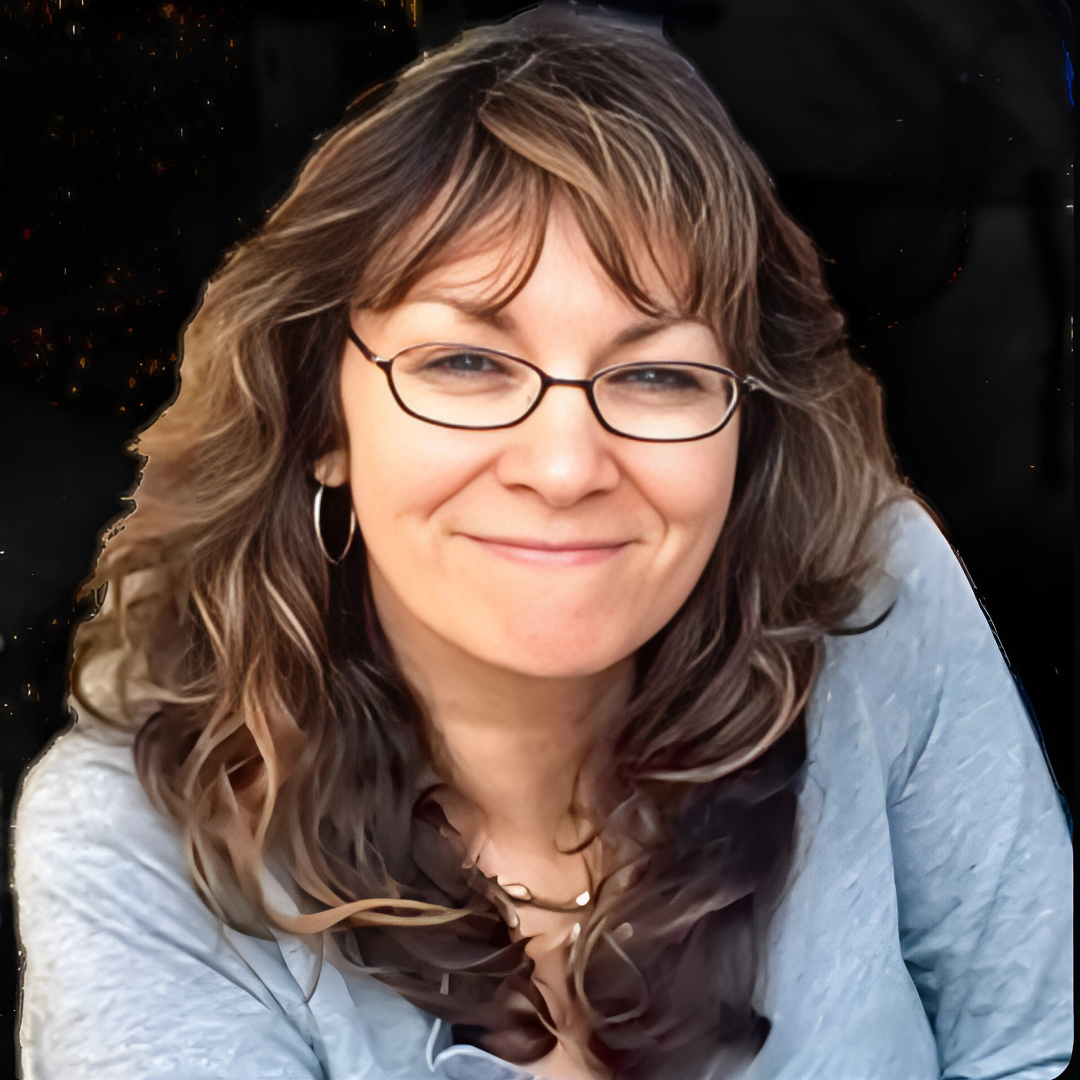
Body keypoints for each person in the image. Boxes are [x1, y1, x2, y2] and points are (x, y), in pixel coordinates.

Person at [13, 6, 1071, 1079]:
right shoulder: (132, 847)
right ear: (320, 423)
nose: (564, 468)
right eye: (466, 365)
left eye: (658, 375)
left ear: (748, 430)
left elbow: (1041, 1045)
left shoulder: (867, 592)